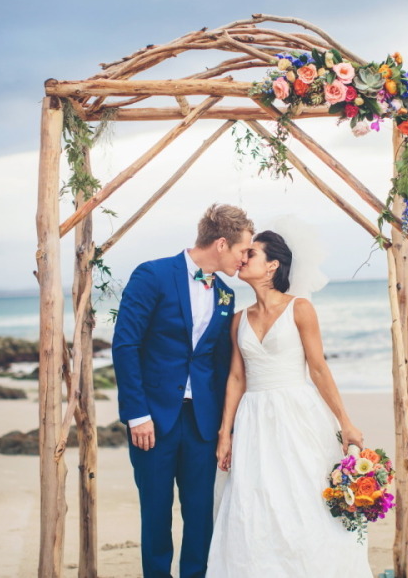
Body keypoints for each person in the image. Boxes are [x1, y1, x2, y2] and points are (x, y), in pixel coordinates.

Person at [206, 231, 373, 578]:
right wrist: (226, 433)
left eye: (251, 253)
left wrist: (345, 421)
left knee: (304, 499)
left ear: (272, 266)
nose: (242, 258)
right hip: (254, 420)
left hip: (298, 414)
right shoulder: (238, 319)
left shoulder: (300, 308)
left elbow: (318, 368)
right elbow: (236, 378)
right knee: (256, 503)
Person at [112, 204, 254, 578]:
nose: (245, 259)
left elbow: (222, 364)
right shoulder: (152, 275)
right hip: (153, 421)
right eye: (243, 251)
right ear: (222, 244)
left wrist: (227, 426)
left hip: (202, 424)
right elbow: (126, 345)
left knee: (201, 516)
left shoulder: (225, 294)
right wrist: (137, 415)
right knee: (156, 515)